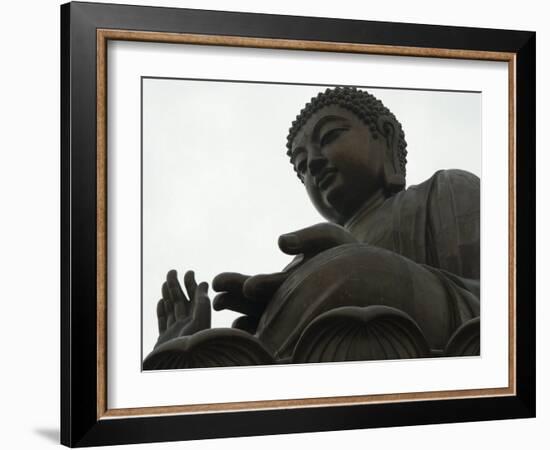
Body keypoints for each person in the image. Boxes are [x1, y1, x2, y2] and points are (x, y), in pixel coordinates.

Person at [144, 87, 480, 369]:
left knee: (355, 269)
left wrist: (357, 265)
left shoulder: (446, 191)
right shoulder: (305, 261)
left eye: (331, 136)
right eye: (302, 165)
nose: (314, 165)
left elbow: (499, 307)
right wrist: (193, 342)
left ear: (386, 138)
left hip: (435, 351)